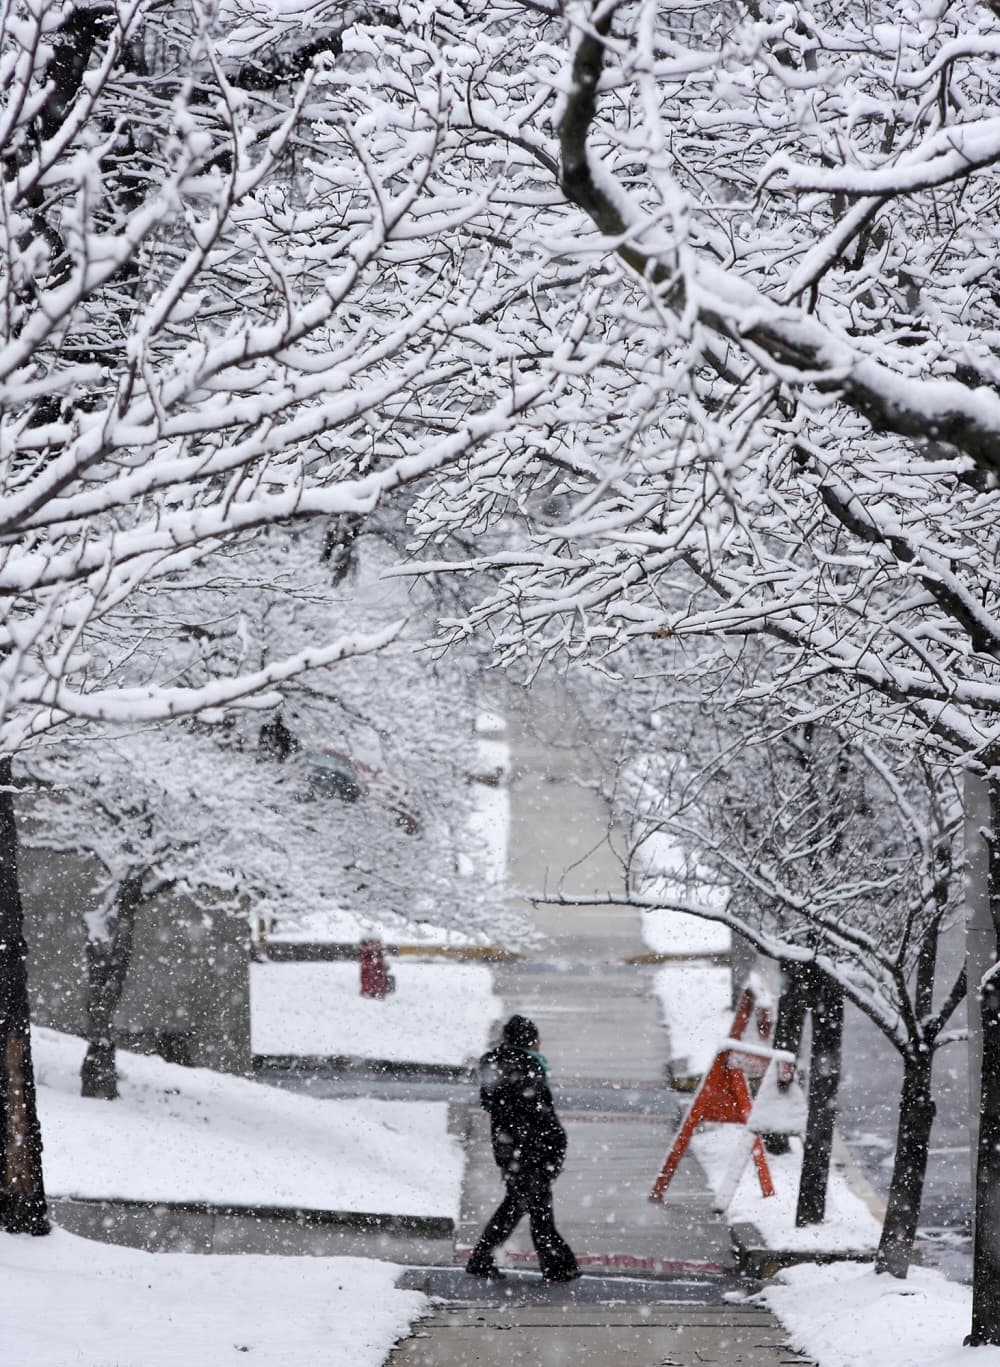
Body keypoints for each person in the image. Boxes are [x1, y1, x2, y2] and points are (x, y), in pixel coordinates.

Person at [466, 1013, 581, 1283]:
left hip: (510, 1150)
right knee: (539, 1211)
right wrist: (555, 1144)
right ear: (529, 1039)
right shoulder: (528, 1068)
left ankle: (483, 1259)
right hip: (532, 1151)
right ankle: (557, 1266)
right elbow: (540, 1114)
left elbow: (503, 1108)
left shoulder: (498, 1067)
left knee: (517, 1206)